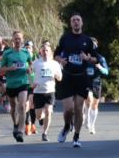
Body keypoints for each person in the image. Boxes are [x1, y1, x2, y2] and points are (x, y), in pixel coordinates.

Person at [54, 13, 98, 148]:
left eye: (78, 20)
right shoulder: (65, 38)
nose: (76, 22)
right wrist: (60, 60)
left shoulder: (88, 41)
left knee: (79, 108)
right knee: (68, 110)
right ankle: (67, 126)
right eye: (73, 20)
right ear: (70, 23)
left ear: (82, 23)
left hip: (82, 77)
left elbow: (96, 59)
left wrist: (87, 58)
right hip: (67, 76)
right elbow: (55, 55)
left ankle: (76, 137)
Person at [0, 30, 34, 143]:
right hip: (11, 84)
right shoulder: (7, 54)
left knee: (23, 106)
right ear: (12, 40)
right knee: (13, 107)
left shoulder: (26, 53)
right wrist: (9, 69)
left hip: (23, 83)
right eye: (16, 38)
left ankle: (20, 130)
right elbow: (1, 70)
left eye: (19, 38)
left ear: (22, 40)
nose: (18, 40)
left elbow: (31, 66)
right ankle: (15, 124)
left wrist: (29, 70)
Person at [32, 41, 63, 141]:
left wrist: (57, 76)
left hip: (50, 91)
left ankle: (45, 133)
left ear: (50, 52)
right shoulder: (36, 63)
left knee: (49, 112)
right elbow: (29, 72)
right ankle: (41, 119)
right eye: (43, 50)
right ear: (40, 52)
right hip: (38, 92)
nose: (45, 52)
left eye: (47, 50)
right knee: (38, 115)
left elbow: (60, 78)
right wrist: (32, 83)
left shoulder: (55, 64)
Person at [85, 37, 109, 134]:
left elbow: (106, 72)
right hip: (86, 81)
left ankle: (92, 125)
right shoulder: (84, 57)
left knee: (95, 105)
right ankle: (86, 119)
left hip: (96, 82)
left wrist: (100, 67)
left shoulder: (100, 58)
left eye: (94, 45)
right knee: (89, 99)